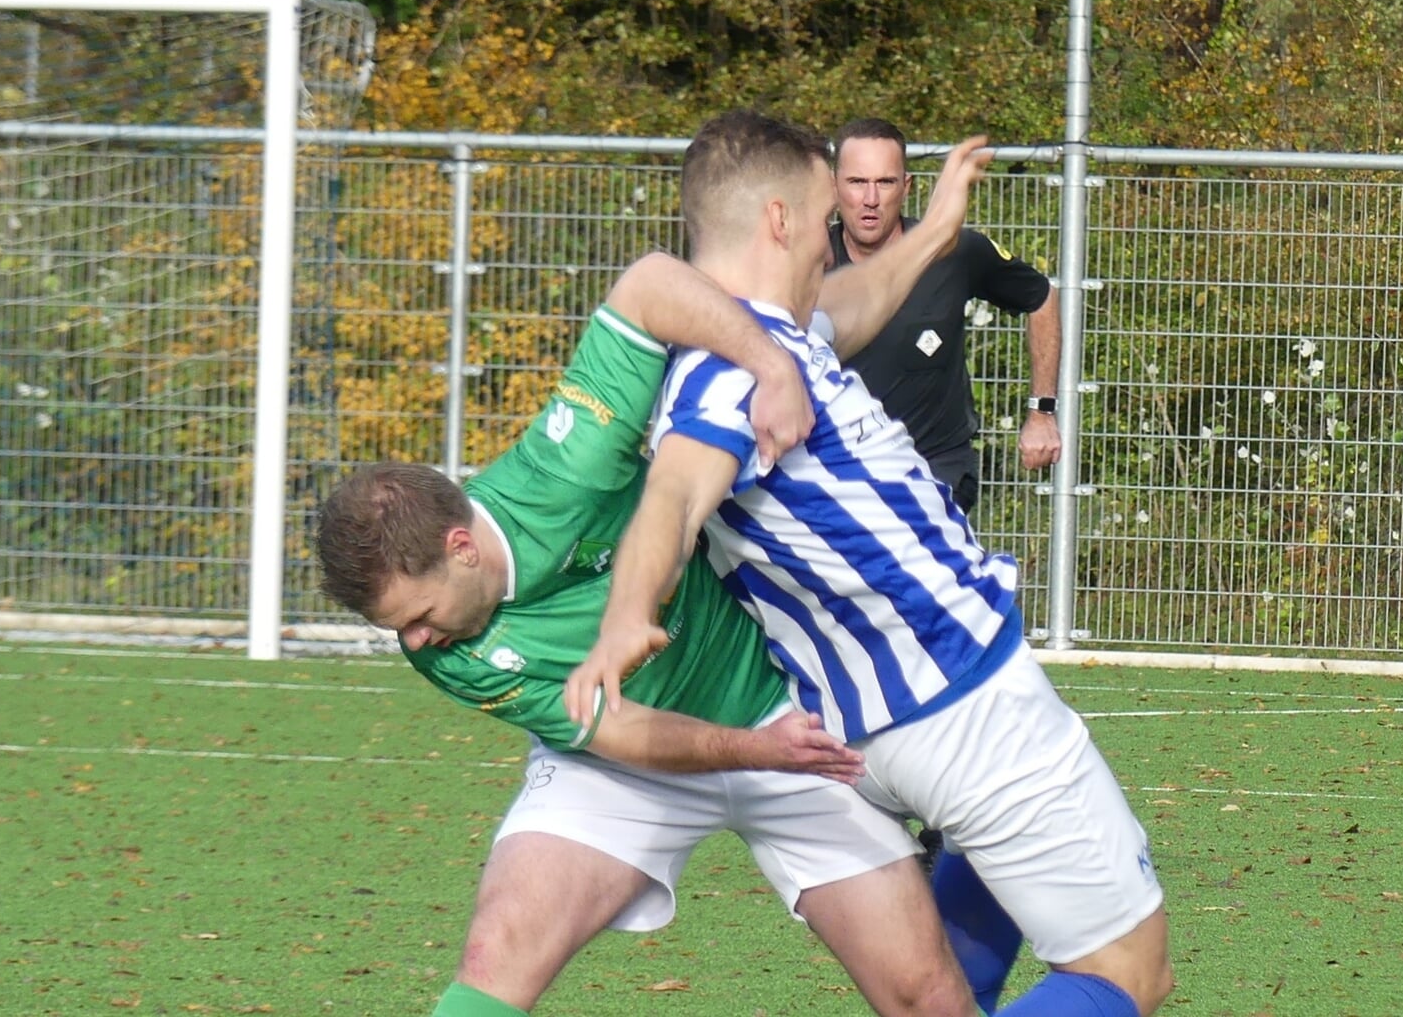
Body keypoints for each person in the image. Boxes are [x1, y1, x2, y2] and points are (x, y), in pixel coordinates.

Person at [315, 140, 996, 1017]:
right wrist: (749, 751)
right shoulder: (441, 650)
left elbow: (651, 284)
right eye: (399, 630)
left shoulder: (564, 468)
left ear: (461, 545)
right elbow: (621, 735)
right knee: (495, 956)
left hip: (789, 714)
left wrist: (781, 361)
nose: (416, 643)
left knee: (925, 995)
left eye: (418, 615)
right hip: (628, 764)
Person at [569, 110, 1174, 1017]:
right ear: (780, 220)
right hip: (960, 701)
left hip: (887, 720)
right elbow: (676, 495)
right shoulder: (731, 377)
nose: (834, 240)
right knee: (1127, 973)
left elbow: (853, 304)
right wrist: (627, 615)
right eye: (824, 216)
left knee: (958, 960)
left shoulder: (766, 339)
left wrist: (935, 233)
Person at [828, 117, 1062, 513]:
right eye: (857, 182)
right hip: (835, 475)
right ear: (834, 187)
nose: (870, 198)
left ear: (906, 187)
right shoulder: (804, 263)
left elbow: (1041, 298)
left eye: (885, 182)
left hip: (933, 472)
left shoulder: (954, 252)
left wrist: (1042, 412)